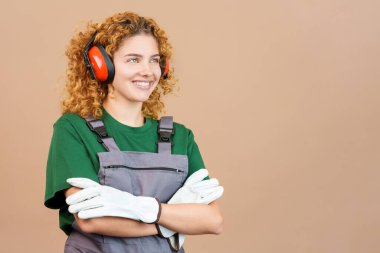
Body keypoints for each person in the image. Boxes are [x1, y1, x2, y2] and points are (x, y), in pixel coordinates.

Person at [44, 11, 224, 253]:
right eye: (133, 59)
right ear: (102, 66)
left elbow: (212, 220)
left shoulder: (181, 137)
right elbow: (91, 219)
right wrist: (169, 222)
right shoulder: (73, 129)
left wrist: (146, 210)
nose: (148, 71)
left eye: (154, 60)